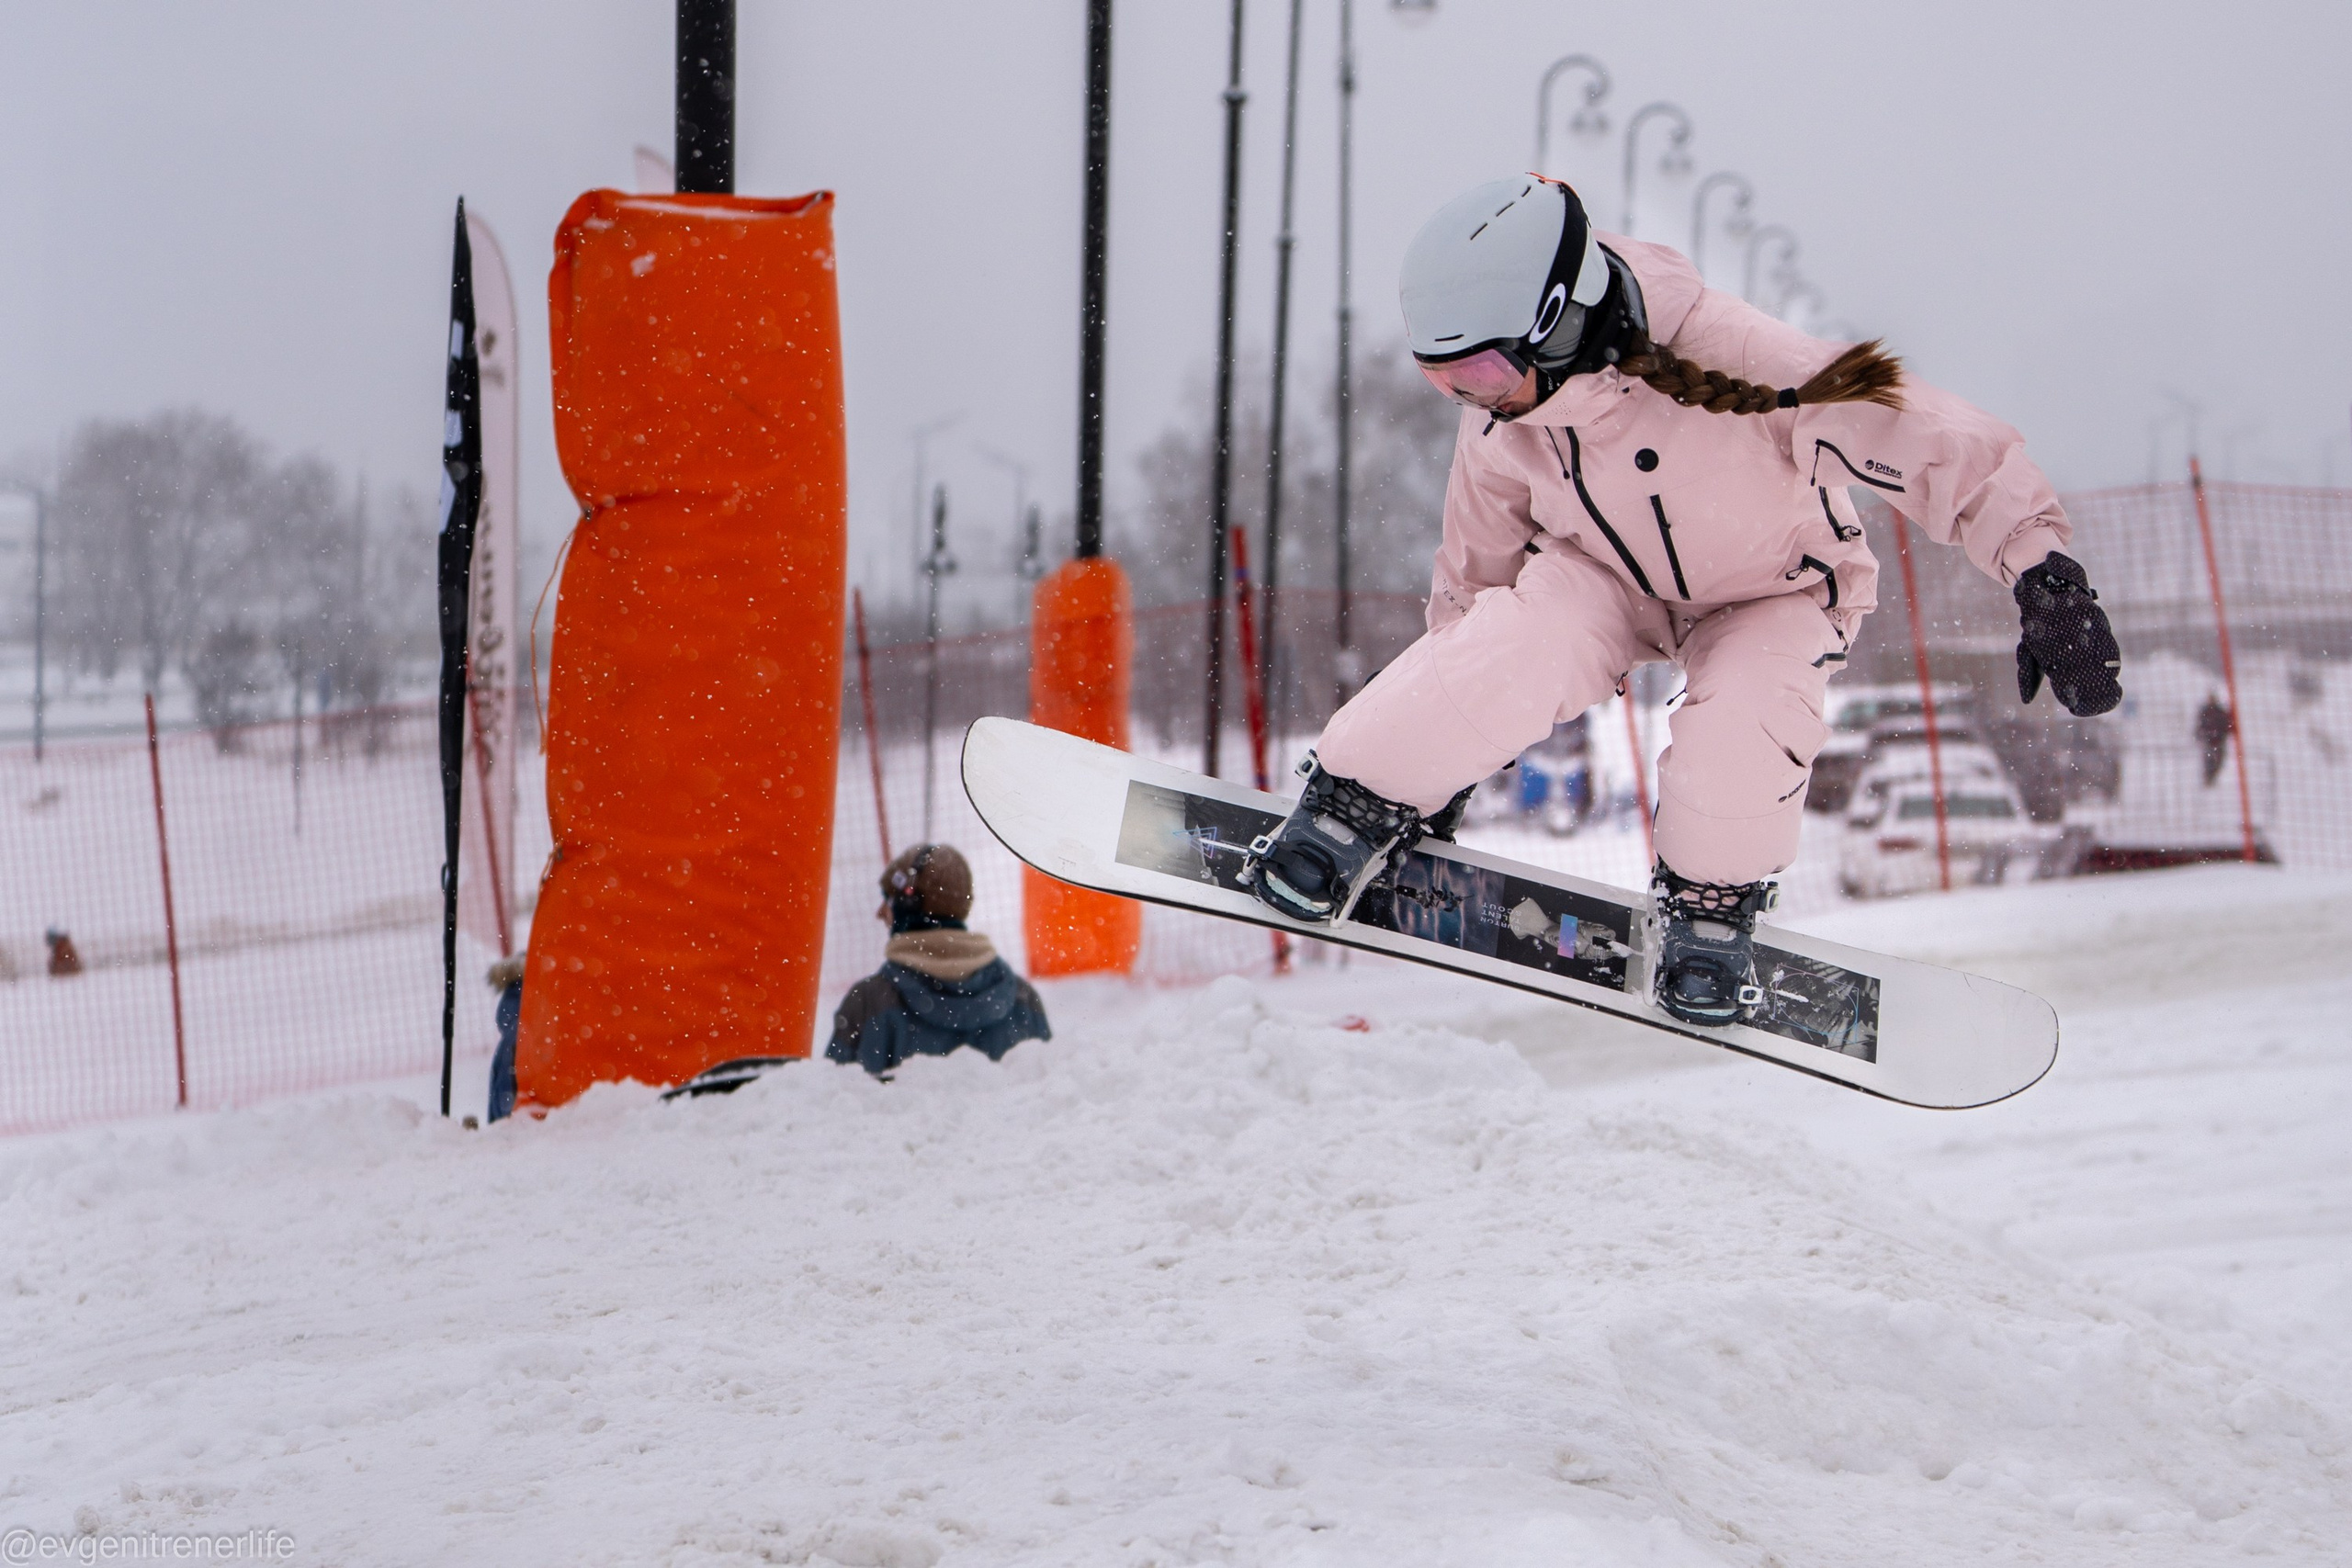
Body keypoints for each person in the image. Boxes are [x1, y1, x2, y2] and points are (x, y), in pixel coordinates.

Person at [1243, 174, 2121, 1026]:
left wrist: (2043, 572)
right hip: (1602, 583)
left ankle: (1710, 902)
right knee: (1513, 640)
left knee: (1745, 726)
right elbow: (1474, 577)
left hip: (1769, 587)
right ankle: (1355, 801)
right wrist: (1434, 754)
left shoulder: (1741, 354)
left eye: (1477, 371)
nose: (1471, 400)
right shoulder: (1507, 419)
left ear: (1557, 322)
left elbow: (1927, 435)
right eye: (1446, 382)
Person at [827, 843, 1050, 1076]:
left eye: (888, 900)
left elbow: (829, 1099)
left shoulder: (868, 1003)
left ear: (907, 905)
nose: (880, 912)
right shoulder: (1024, 1000)